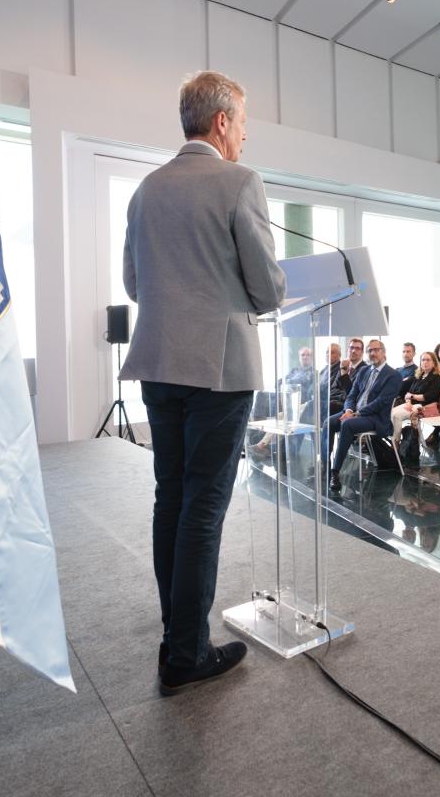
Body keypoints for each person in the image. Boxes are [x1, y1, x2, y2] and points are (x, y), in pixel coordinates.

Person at [120, 71, 287, 694]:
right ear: (221, 121)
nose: (245, 136)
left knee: (172, 498)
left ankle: (177, 634)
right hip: (218, 370)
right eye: (242, 123)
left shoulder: (146, 188)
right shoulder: (240, 182)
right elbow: (268, 291)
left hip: (158, 363)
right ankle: (186, 654)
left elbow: (134, 285)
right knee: (204, 508)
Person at [325, 339, 403, 492]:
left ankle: (335, 472)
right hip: (354, 412)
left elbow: (381, 402)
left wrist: (357, 413)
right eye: (370, 350)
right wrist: (348, 410)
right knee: (329, 422)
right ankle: (325, 463)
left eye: (376, 350)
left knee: (347, 424)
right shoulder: (364, 371)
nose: (372, 353)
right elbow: (351, 395)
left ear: (383, 352)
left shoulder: (393, 375)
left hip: (375, 417)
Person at [390, 351, 440, 449]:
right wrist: (408, 402)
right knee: (391, 412)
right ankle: (395, 440)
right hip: (412, 404)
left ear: (434, 363)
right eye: (423, 360)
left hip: (424, 406)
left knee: (397, 416)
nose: (425, 362)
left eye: (428, 360)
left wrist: (412, 396)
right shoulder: (418, 376)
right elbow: (408, 394)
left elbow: (427, 397)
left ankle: (395, 443)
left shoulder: (436, 377)